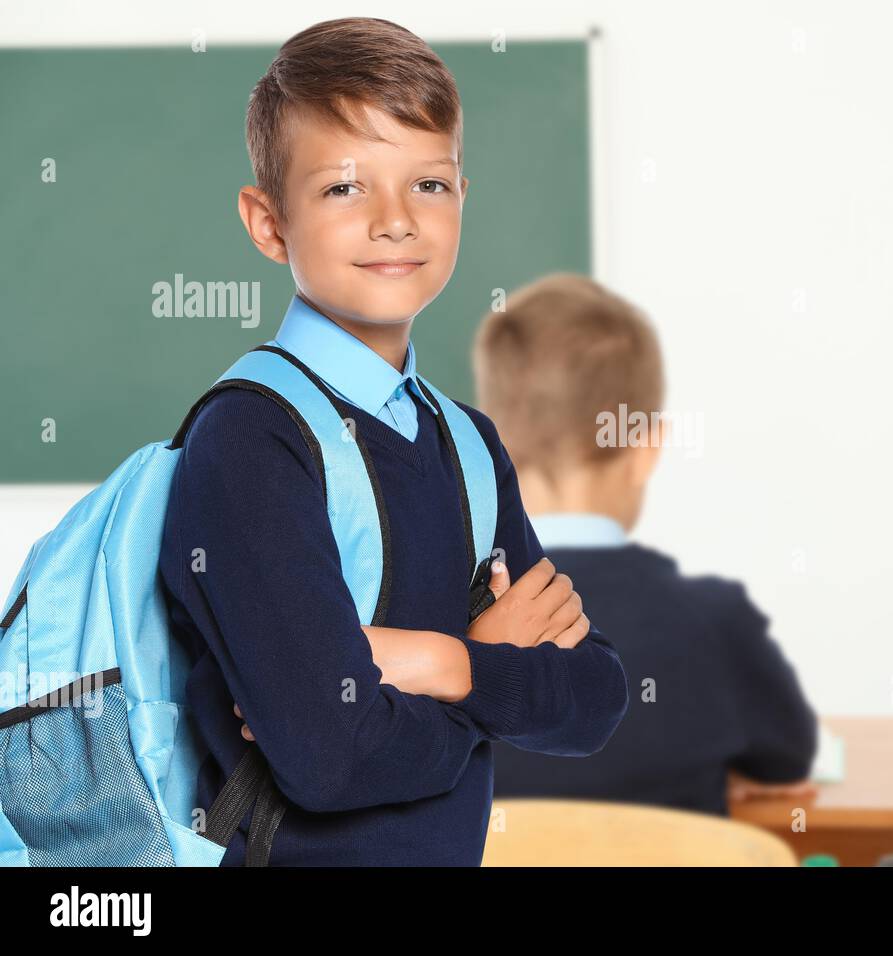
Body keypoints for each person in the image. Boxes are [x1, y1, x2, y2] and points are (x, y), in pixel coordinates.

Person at [160, 18, 628, 866]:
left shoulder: (469, 442)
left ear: (461, 198)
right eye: (344, 188)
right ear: (268, 224)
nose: (395, 222)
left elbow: (596, 697)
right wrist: (494, 668)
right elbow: (330, 759)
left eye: (428, 185)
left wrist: (444, 664)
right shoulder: (252, 439)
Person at [473, 273, 818, 815]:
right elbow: (788, 761)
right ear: (644, 449)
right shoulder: (717, 624)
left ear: (490, 444)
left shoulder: (435, 631)